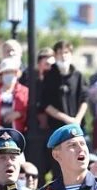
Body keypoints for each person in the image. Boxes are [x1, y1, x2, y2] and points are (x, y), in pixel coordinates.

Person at [38, 41, 89, 174]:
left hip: (77, 127)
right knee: (59, 167)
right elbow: (46, 105)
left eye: (66, 52)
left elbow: (85, 99)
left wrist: (76, 119)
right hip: (57, 128)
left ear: (71, 54)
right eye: (60, 53)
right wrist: (67, 119)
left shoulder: (78, 76)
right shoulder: (49, 76)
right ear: (55, 55)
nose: (63, 56)